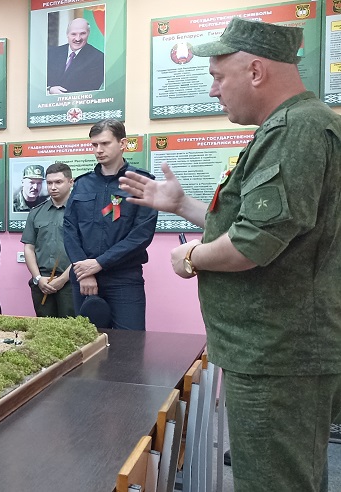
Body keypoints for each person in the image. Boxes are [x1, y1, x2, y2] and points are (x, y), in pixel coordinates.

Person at [118, 18, 341, 491]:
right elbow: (257, 226)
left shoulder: (295, 130)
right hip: (279, 351)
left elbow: (251, 244)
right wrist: (182, 204)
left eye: (219, 76)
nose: (213, 89)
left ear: (255, 71)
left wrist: (191, 258)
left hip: (277, 356)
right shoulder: (294, 126)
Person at [63, 119, 157, 331]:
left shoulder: (141, 182)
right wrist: (86, 270)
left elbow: (141, 234)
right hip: (84, 277)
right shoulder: (82, 184)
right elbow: (69, 229)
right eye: (94, 145)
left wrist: (100, 263)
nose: (98, 150)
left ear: (122, 144)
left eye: (105, 143)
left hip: (123, 278)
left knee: (130, 343)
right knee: (87, 341)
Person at [21, 162, 75, 318]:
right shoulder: (36, 212)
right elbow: (29, 248)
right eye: (49, 183)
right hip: (42, 281)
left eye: (58, 182)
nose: (53, 187)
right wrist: (38, 278)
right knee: (44, 327)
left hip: (70, 281)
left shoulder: (80, 211)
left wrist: (63, 279)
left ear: (70, 182)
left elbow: (86, 250)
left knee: (69, 328)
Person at [47, 18, 105, 94]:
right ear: (67, 34)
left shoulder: (99, 58)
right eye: (73, 34)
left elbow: (90, 91)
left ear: (88, 33)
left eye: (82, 33)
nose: (78, 39)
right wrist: (49, 90)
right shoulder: (51, 53)